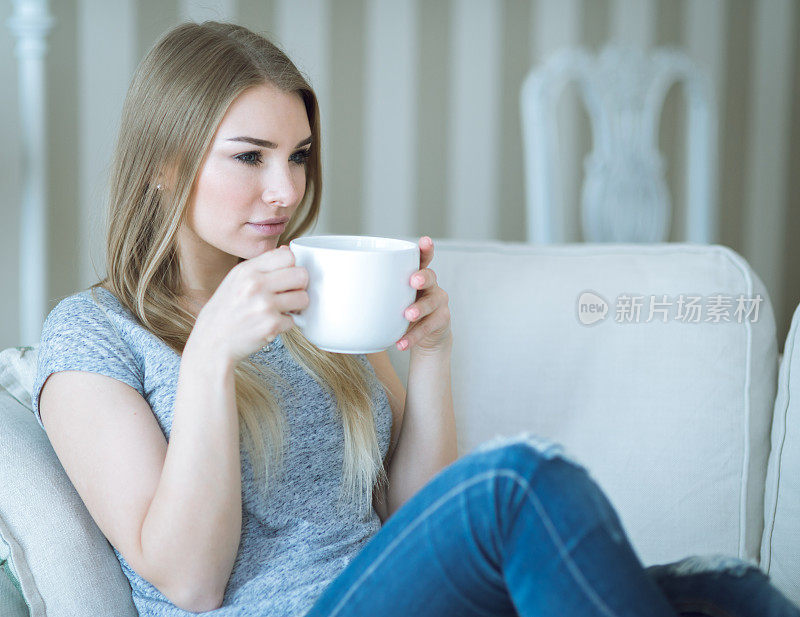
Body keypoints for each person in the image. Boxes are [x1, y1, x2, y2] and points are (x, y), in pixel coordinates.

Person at [31, 20, 799, 617]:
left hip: (390, 592)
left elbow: (410, 514)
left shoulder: (313, 295)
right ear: (165, 163)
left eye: (298, 156)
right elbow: (192, 581)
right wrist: (208, 358)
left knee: (727, 590)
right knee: (514, 482)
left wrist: (430, 352)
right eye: (250, 156)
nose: (285, 190)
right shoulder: (93, 334)